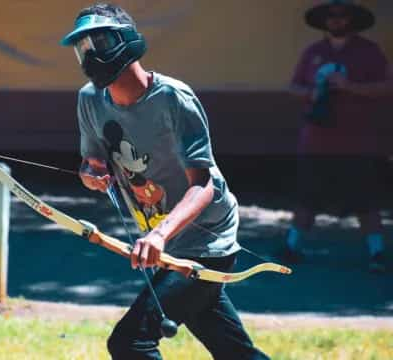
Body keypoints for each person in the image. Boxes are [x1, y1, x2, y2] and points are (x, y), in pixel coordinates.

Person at [61, 3, 270, 359]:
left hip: (208, 242)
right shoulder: (90, 100)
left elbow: (204, 185)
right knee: (235, 352)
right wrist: (91, 175)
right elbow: (91, 164)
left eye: (99, 43)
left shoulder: (174, 99)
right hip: (167, 242)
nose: (90, 55)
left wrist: (158, 235)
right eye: (82, 48)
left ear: (125, 40)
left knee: (130, 342)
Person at [283, 0, 392, 272]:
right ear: (325, 21)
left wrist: (350, 87)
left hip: (359, 141)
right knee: (307, 197)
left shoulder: (369, 52)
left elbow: (386, 86)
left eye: (342, 16)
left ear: (351, 21)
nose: (337, 20)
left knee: (365, 200)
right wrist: (313, 93)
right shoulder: (313, 52)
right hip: (316, 139)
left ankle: (377, 253)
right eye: (332, 16)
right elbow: (294, 88)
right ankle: (291, 248)